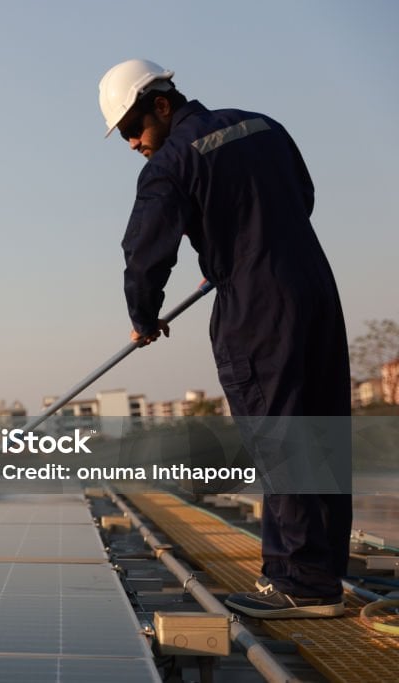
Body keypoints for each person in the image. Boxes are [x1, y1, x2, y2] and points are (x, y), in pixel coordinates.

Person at [98, 59, 352, 619]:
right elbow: (300, 197)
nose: (134, 144)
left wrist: (144, 316)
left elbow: (143, 253)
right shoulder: (264, 124)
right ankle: (326, 574)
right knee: (324, 426)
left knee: (279, 432)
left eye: (134, 129)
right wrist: (241, 244)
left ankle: (299, 581)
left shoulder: (170, 164)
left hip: (257, 307)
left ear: (161, 105)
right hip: (314, 285)